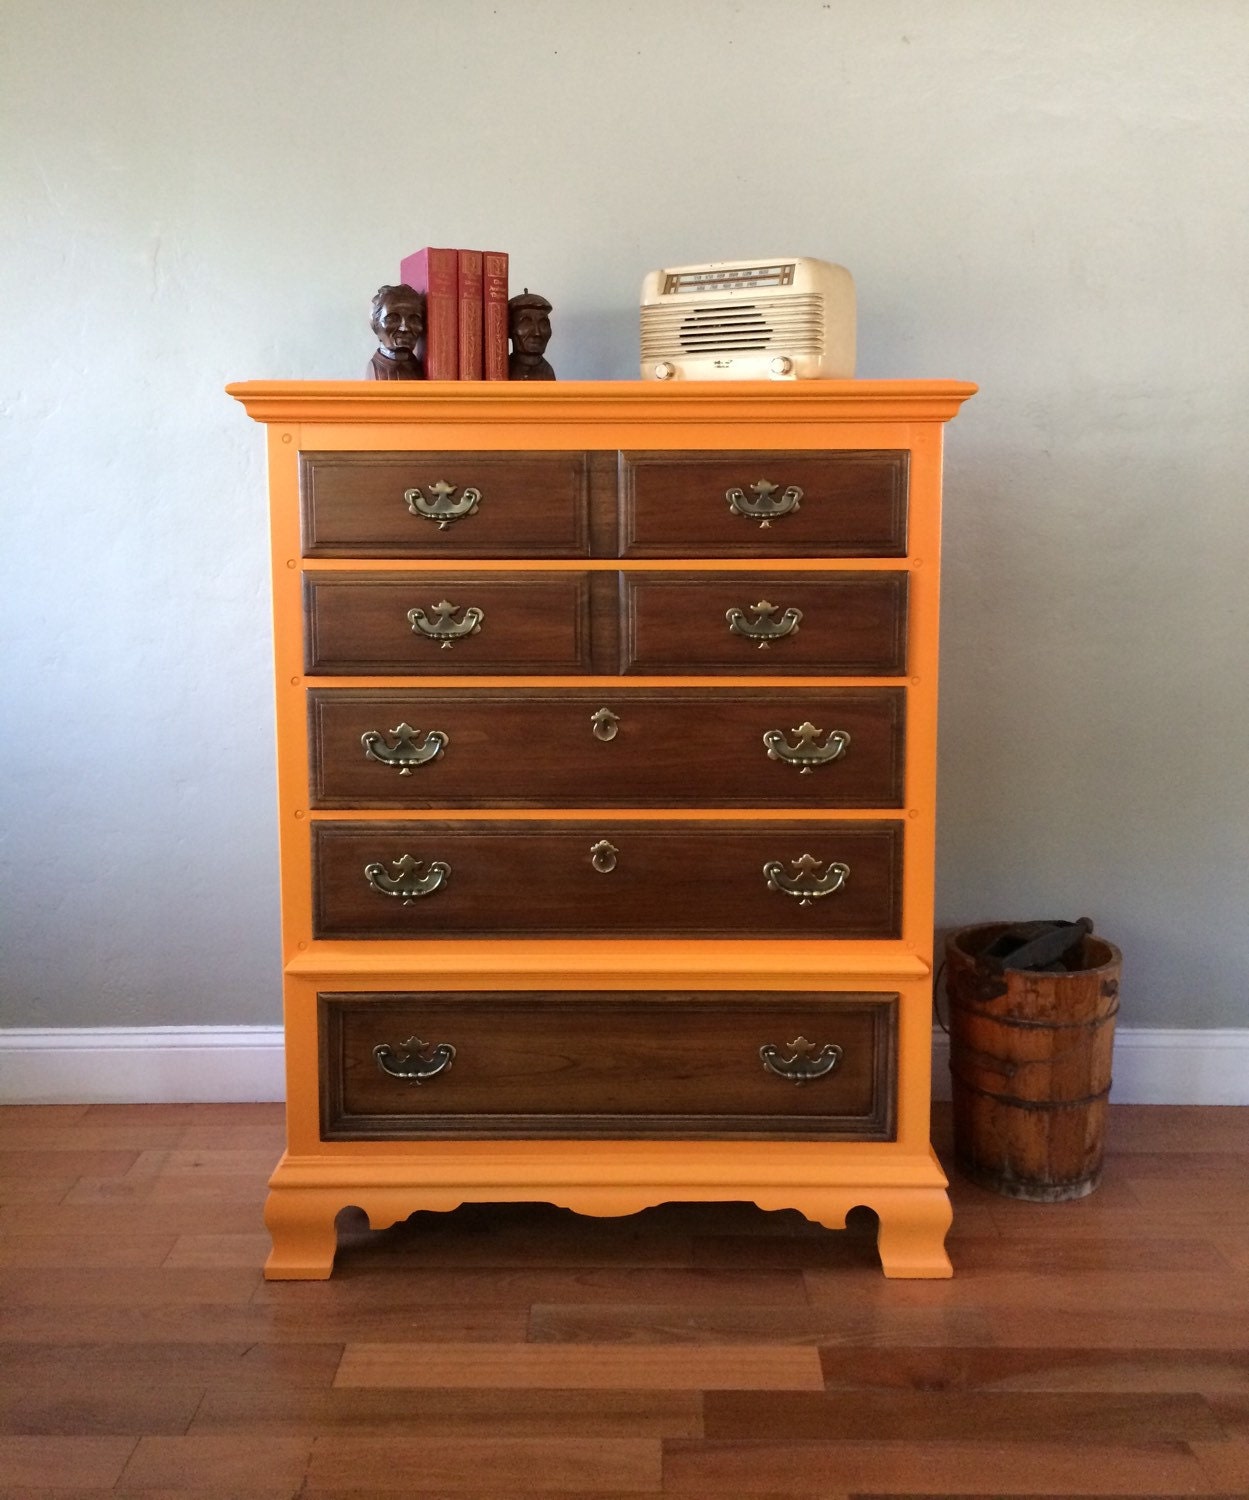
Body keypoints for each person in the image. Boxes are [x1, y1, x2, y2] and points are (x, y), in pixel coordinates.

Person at [367, 284, 425, 380]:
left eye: (413, 320)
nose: (404, 328)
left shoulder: (420, 367)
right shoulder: (374, 369)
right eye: (392, 319)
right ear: (375, 324)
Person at [507, 289, 555, 380]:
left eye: (543, 324)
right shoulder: (500, 370)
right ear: (510, 329)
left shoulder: (547, 372)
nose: (537, 333)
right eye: (526, 324)